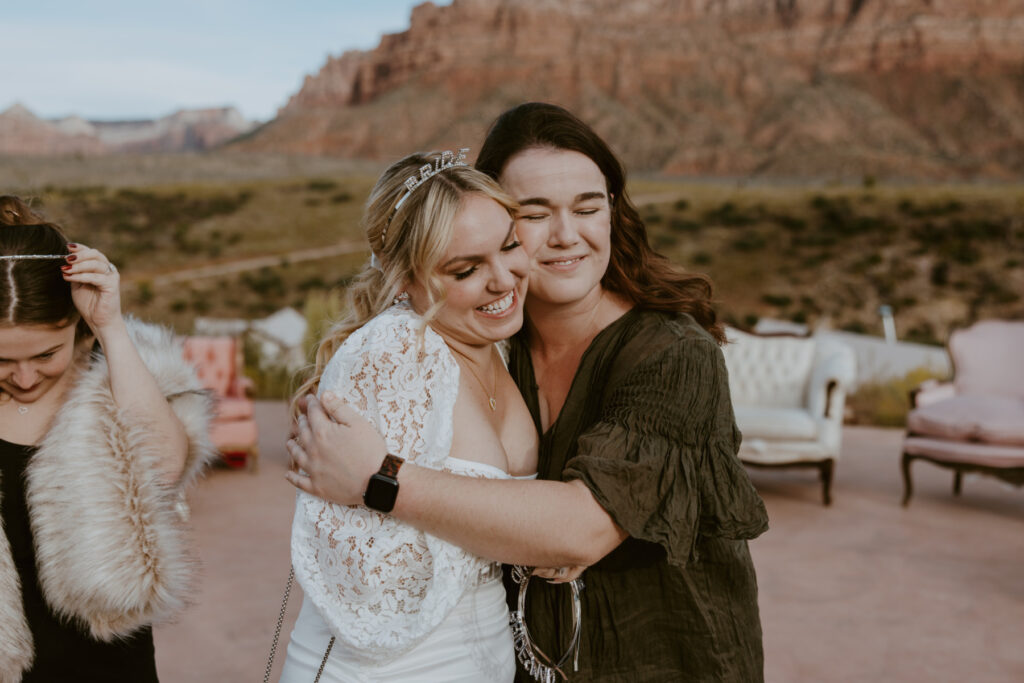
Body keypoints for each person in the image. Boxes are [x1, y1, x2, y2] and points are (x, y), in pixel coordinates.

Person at [288, 103, 770, 682]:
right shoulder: (492, 342)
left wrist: (380, 478)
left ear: (612, 212)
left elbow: (583, 526)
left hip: (663, 658)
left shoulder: (672, 352)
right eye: (536, 215)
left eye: (588, 208)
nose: (567, 236)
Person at [279, 152, 544, 682]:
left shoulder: (496, 343)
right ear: (405, 281)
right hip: (387, 663)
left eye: (510, 245)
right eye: (466, 269)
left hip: (485, 650)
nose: (502, 279)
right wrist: (535, 535)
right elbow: (369, 570)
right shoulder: (395, 352)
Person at [0, 195, 215, 681]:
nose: (26, 377)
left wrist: (112, 327)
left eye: (45, 354)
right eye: (3, 361)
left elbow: (163, 470)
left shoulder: (109, 380)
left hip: (107, 666)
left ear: (76, 326)